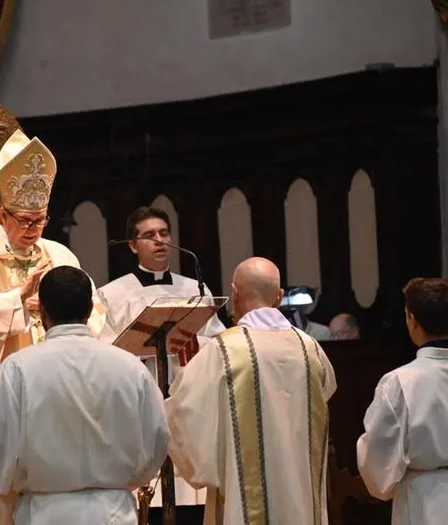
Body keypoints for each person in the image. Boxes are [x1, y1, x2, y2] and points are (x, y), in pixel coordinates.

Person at [0, 130, 106, 525]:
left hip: (59, 394)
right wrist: (18, 300)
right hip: (2, 396)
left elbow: (94, 310)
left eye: (40, 220)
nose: (34, 229)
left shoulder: (60, 254)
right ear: (3, 215)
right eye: (25, 220)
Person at [0, 266, 168, 525]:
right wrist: (128, 482)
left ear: (41, 311)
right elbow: (158, 436)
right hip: (113, 512)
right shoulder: (129, 367)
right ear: (89, 310)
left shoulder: (18, 369)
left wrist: (9, 510)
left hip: (44, 512)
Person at [165, 257, 336, 525]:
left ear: (234, 293)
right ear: (279, 297)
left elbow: (184, 412)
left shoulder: (223, 350)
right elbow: (327, 393)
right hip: (300, 498)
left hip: (242, 500)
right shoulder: (311, 349)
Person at [98, 206, 225, 509]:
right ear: (132, 245)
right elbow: (104, 350)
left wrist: (194, 340)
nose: (159, 241)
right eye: (149, 236)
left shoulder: (195, 288)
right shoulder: (112, 294)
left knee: (191, 502)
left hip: (189, 399)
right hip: (141, 402)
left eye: (164, 233)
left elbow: (219, 343)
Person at [357, 278, 448, 524]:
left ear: (412, 320)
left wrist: (383, 485)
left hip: (425, 502)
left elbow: (378, 456)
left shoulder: (401, 381)